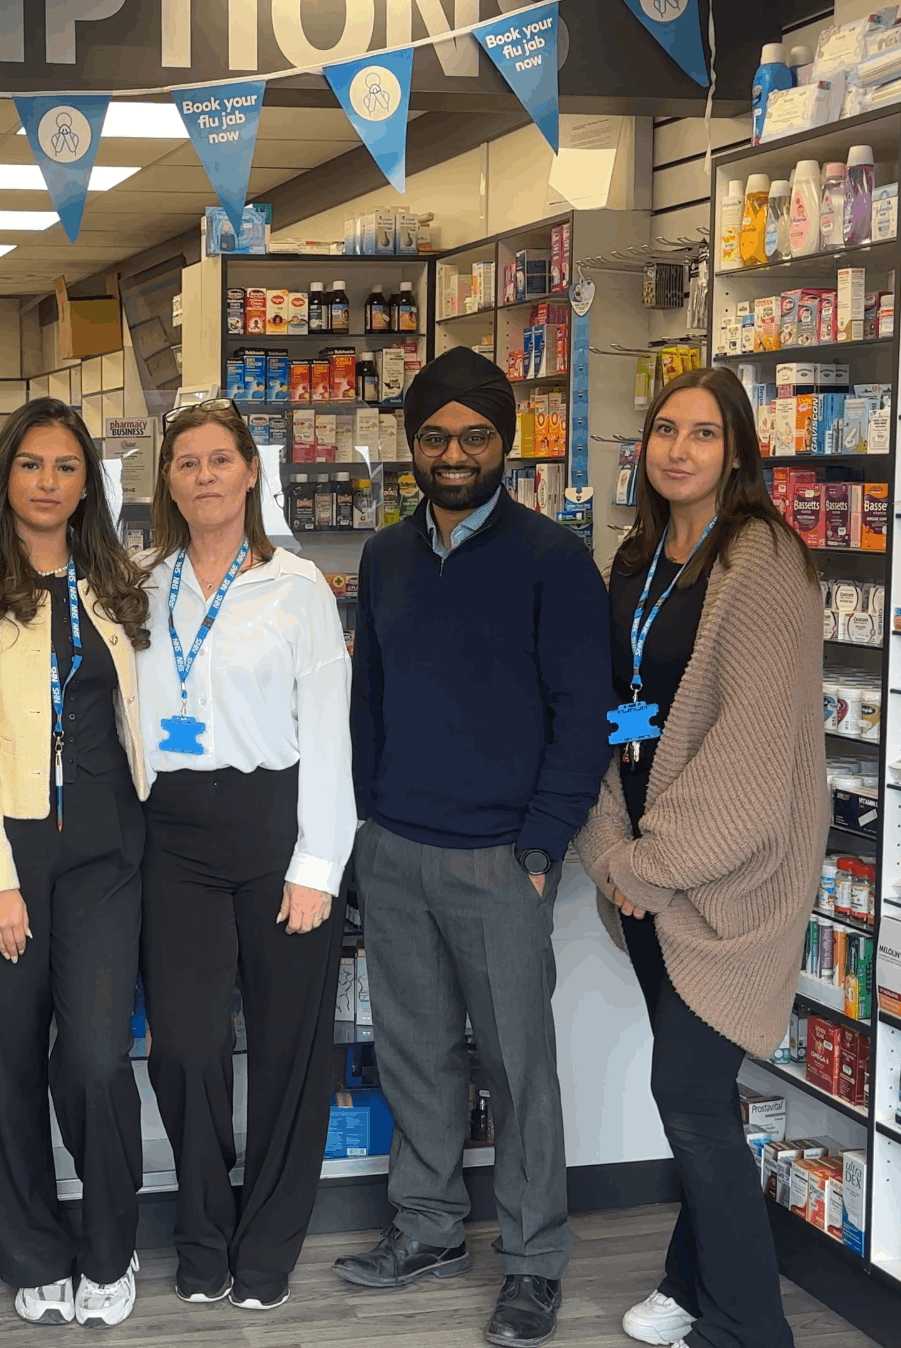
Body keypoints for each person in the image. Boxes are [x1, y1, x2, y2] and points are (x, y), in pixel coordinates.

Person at [338, 345, 614, 1348]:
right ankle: (428, 1229)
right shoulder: (385, 557)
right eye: (435, 437)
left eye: (475, 436)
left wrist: (541, 846)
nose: (453, 454)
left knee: (518, 1067)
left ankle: (534, 1262)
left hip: (500, 858)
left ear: (507, 443)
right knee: (415, 1056)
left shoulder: (553, 559)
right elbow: (368, 701)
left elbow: (584, 715)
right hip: (396, 849)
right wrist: (366, 827)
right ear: (411, 443)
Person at [575, 368, 824, 1348]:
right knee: (702, 1100)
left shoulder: (761, 558)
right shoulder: (636, 557)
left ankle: (752, 1327)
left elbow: (749, 756)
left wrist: (646, 865)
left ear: (738, 451)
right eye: (666, 429)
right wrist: (612, 850)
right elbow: (614, 715)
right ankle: (690, 1282)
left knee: (685, 1093)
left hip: (730, 884)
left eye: (705, 433)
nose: (679, 450)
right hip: (643, 874)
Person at [0, 397, 153, 1328]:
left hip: (107, 847)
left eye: (66, 466)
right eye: (31, 464)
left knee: (96, 1055)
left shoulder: (118, 582)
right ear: (4, 478)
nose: (48, 482)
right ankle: (32, 1251)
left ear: (88, 483)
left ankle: (109, 1247)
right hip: (5, 848)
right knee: (3, 1060)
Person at [136, 402, 353, 1313]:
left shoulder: (298, 587)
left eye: (220, 459)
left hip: (277, 828)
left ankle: (267, 1246)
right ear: (168, 480)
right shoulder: (141, 584)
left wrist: (318, 865)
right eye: (186, 463)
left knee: (287, 1050)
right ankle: (203, 1231)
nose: (204, 477)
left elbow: (329, 733)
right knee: (184, 1048)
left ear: (251, 471)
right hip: (172, 835)